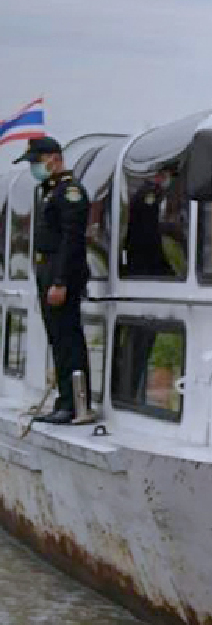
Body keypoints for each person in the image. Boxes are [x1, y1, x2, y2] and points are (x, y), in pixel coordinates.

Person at [16, 137, 90, 425]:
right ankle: (64, 400)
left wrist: (60, 281)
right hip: (48, 271)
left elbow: (72, 241)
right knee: (58, 340)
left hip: (62, 275)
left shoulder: (70, 192)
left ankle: (75, 404)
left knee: (69, 340)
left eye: (36, 161)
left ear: (53, 158)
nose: (34, 167)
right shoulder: (49, 191)